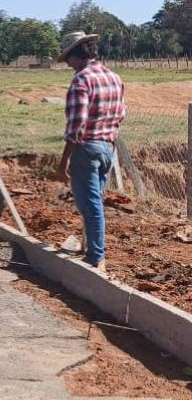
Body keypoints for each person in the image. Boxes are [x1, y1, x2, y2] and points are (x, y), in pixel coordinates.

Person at [58, 31, 125, 271]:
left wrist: (64, 160)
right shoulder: (114, 77)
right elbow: (120, 115)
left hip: (87, 149)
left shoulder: (81, 80)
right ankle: (92, 249)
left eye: (68, 59)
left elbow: (77, 126)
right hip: (108, 147)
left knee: (90, 205)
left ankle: (95, 256)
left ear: (76, 56)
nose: (67, 65)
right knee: (95, 201)